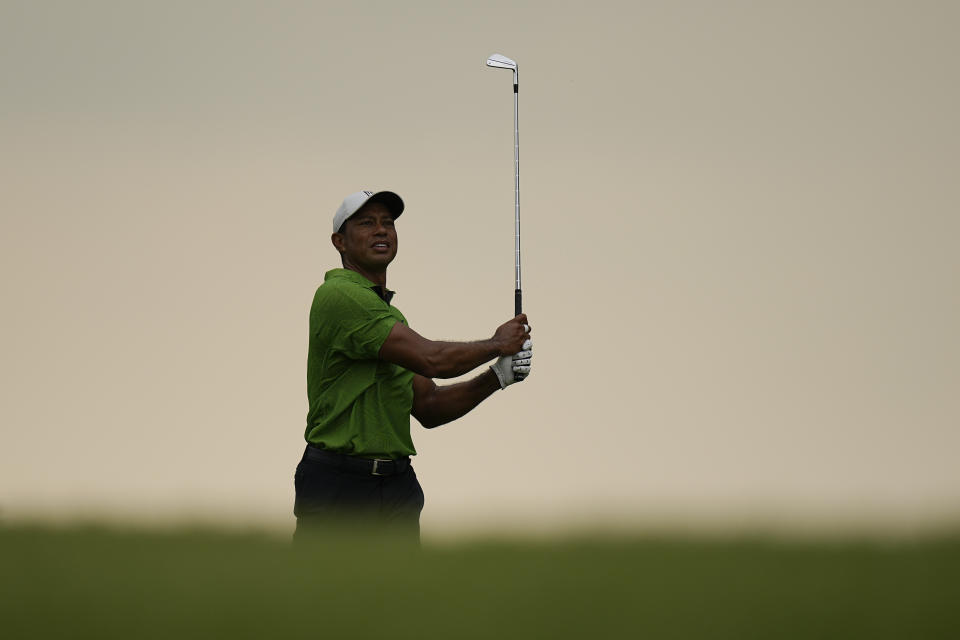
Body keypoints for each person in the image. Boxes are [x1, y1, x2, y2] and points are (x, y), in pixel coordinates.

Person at [293, 189, 533, 545]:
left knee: (399, 599)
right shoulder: (338, 295)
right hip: (339, 483)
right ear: (339, 241)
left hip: (395, 487)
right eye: (366, 223)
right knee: (328, 599)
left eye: (388, 223)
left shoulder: (390, 316)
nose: (381, 231)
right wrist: (497, 344)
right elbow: (431, 359)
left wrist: (498, 376)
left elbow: (429, 405)